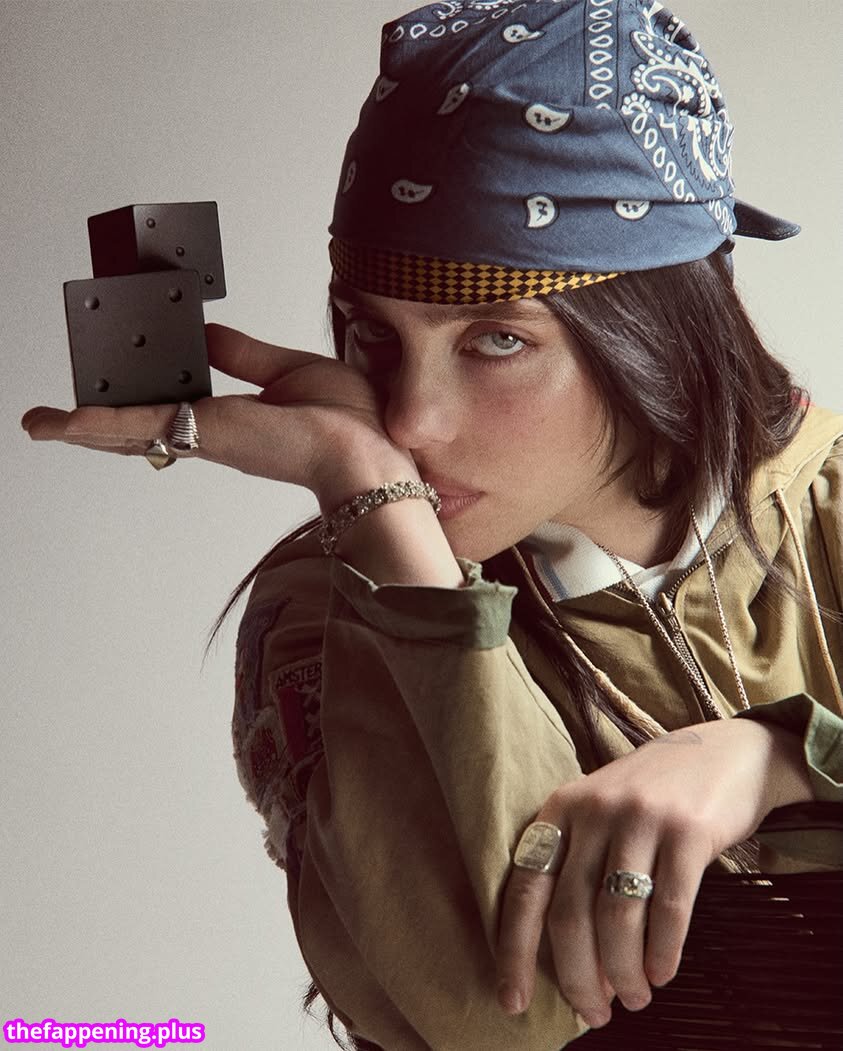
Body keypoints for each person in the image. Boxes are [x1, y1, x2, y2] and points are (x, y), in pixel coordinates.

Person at [21, 2, 843, 1049]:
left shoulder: (830, 506)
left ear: (656, 326)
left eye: (496, 340)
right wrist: (372, 495)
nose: (411, 421)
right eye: (373, 335)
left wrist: (780, 757)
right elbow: (492, 1019)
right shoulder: (338, 603)